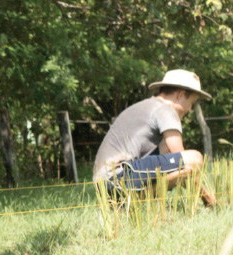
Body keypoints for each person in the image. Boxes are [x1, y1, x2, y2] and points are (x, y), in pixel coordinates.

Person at [93, 69, 217, 205]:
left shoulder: (145, 106)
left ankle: (127, 203)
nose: (189, 109)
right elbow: (184, 161)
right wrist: (209, 199)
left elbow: (175, 160)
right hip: (117, 177)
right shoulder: (166, 110)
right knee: (194, 158)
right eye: (191, 103)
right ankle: (210, 203)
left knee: (167, 150)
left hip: (104, 186)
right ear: (180, 94)